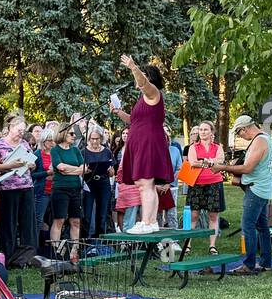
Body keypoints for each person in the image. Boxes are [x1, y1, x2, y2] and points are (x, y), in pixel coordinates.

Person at [111, 54, 173, 234]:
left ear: (149, 77)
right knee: (147, 184)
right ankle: (151, 222)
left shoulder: (153, 92)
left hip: (148, 143)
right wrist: (118, 112)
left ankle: (146, 222)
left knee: (145, 183)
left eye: (142, 75)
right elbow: (134, 121)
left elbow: (143, 83)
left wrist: (133, 67)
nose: (137, 79)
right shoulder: (142, 100)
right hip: (141, 142)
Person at [212, 115, 272, 275]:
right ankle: (266, 262)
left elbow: (247, 168)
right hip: (262, 188)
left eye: (239, 132)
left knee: (248, 225)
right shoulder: (264, 138)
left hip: (256, 189)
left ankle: (248, 265)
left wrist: (223, 168)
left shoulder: (260, 141)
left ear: (245, 128)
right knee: (262, 226)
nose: (240, 136)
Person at [0, 115, 36, 264]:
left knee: (27, 222)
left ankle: (27, 256)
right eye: (18, 130)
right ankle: (8, 255)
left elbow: (32, 163)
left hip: (26, 186)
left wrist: (31, 164)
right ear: (10, 128)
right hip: (8, 188)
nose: (21, 134)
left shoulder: (24, 143)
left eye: (23, 131)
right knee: (9, 223)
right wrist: (9, 165)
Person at [186, 121, 226, 253]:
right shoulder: (193, 147)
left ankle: (212, 245)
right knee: (193, 215)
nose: (202, 132)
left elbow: (220, 161)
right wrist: (210, 162)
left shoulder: (217, 147)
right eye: (201, 130)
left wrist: (203, 161)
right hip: (197, 184)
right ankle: (187, 245)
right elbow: (193, 162)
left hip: (214, 183)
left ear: (211, 132)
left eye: (205, 129)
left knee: (213, 216)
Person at [49, 125, 86, 259]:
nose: (74, 136)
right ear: (63, 133)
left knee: (76, 221)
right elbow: (60, 167)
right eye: (71, 133)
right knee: (59, 220)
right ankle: (56, 254)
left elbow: (84, 168)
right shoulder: (55, 150)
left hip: (75, 188)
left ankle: (74, 253)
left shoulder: (75, 150)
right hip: (60, 189)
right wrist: (76, 169)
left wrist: (69, 170)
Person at [81, 126, 114, 238]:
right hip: (89, 183)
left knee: (103, 214)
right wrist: (85, 170)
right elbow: (79, 170)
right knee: (87, 214)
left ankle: (101, 240)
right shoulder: (83, 152)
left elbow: (112, 172)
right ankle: (85, 240)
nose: (95, 141)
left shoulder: (107, 151)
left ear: (101, 138)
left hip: (103, 182)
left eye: (97, 139)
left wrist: (110, 170)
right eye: (92, 139)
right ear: (88, 139)